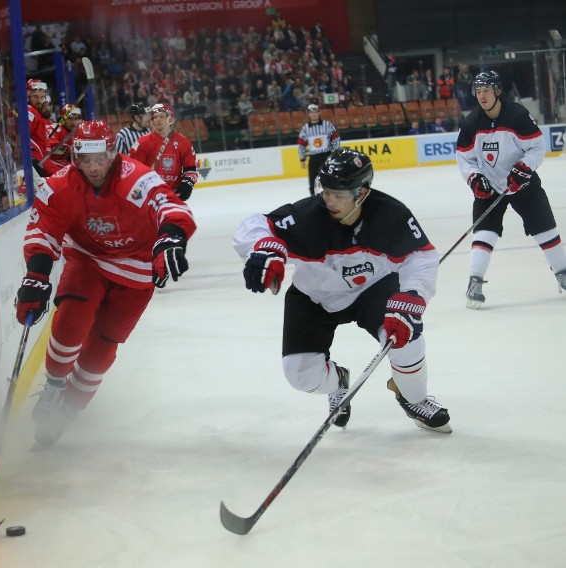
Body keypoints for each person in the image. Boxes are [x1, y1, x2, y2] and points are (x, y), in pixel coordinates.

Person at [232, 148, 451, 433]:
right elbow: (254, 225)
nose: (329, 200)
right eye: (326, 191)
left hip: (373, 290)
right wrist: (264, 246)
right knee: (300, 375)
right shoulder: (307, 217)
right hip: (314, 297)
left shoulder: (391, 214)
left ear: (361, 193)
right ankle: (338, 382)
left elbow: (421, 256)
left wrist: (413, 295)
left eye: (339, 194)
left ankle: (414, 399)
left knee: (406, 337)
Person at [15, 120, 196, 446]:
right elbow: (45, 225)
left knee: (100, 350)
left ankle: (68, 412)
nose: (94, 167)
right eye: (86, 159)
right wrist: (37, 275)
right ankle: (55, 386)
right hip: (89, 258)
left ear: (113, 154)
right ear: (75, 157)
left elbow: (167, 205)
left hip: (137, 271)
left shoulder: (137, 178)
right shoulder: (62, 185)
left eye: (101, 158)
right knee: (72, 317)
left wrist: (171, 236)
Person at [456, 70, 566, 308]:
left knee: (545, 228)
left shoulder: (517, 115)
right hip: (490, 186)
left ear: (497, 91)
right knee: (484, 232)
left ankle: (563, 272)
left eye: (486, 91)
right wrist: (475, 179)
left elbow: (537, 147)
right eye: (478, 91)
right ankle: (474, 281)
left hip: (523, 184)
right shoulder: (470, 123)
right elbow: (465, 159)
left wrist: (524, 168)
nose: (482, 96)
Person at [129, 103, 198, 201]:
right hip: (148, 199)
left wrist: (188, 183)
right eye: (155, 117)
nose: (157, 119)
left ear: (170, 118)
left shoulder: (183, 143)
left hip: (173, 197)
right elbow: (132, 171)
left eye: (161, 116)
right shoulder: (142, 143)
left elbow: (191, 170)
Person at [296, 103, 340, 196]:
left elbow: (335, 138)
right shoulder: (305, 129)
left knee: (329, 179)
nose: (314, 114)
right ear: (308, 114)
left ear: (319, 112)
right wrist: (302, 158)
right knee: (313, 181)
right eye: (311, 113)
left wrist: (334, 152)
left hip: (326, 156)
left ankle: (332, 197)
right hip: (314, 158)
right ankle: (313, 199)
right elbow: (301, 144)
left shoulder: (327, 125)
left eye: (315, 112)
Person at [42, 104, 83, 173]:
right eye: (70, 119)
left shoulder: (80, 132)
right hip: (50, 170)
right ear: (62, 119)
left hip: (65, 168)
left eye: (76, 119)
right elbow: (47, 155)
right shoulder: (53, 129)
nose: (73, 122)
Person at [26, 79, 51, 176]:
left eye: (42, 97)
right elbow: (24, 138)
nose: (39, 101)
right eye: (35, 97)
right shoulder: (30, 111)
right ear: (28, 96)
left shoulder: (36, 112)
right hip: (37, 162)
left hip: (41, 160)